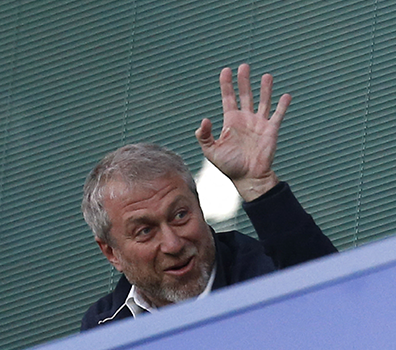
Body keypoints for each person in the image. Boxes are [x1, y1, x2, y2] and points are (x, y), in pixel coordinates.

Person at [80, 64, 337, 331]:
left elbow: (339, 300)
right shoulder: (103, 329)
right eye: (145, 231)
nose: (173, 244)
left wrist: (258, 185)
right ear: (111, 252)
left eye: (180, 215)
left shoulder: (270, 275)